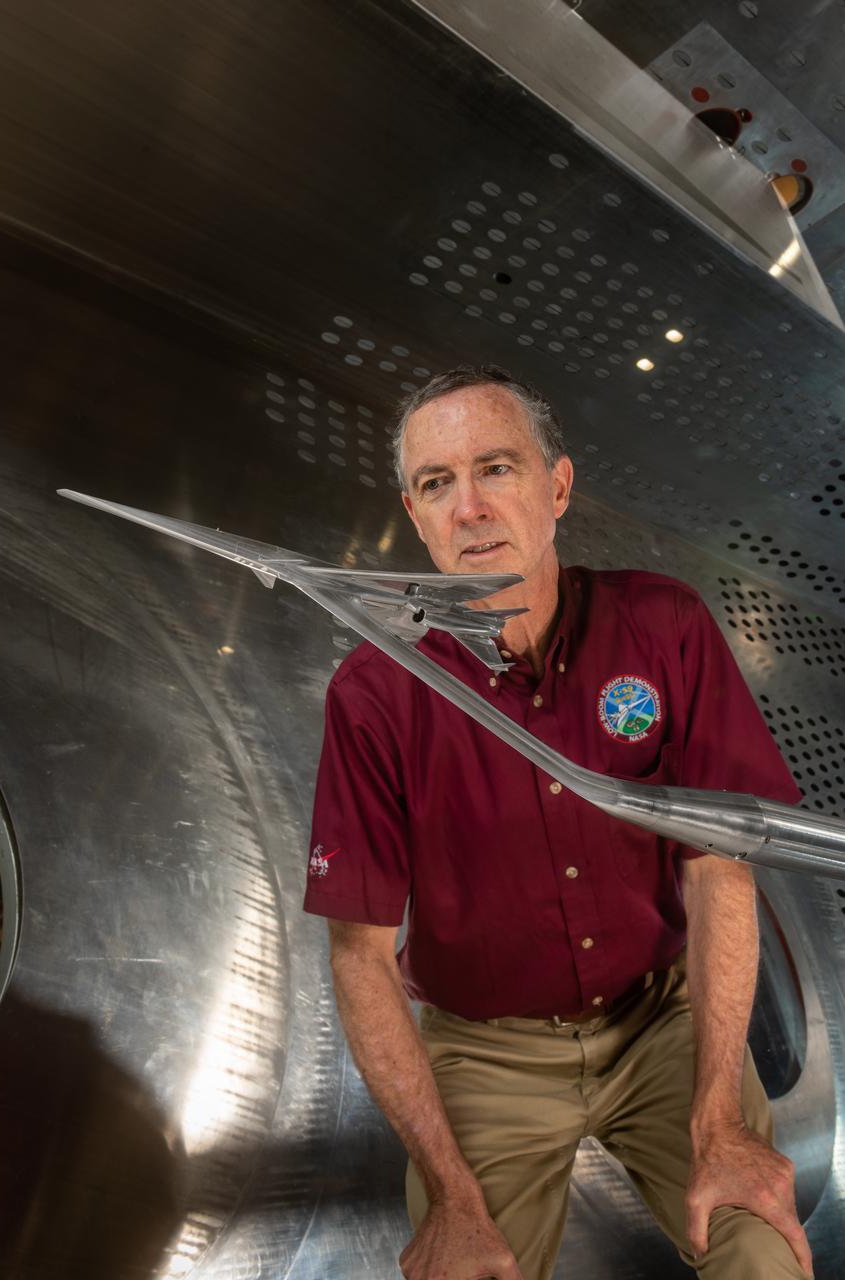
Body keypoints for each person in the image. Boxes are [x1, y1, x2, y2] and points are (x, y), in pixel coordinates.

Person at [303, 365, 813, 1280]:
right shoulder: (374, 695)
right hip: (482, 1053)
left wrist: (718, 1123)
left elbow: (716, 870)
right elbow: (360, 957)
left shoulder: (665, 626)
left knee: (761, 1256)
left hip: (663, 1022)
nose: (468, 508)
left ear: (558, 486)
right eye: (435, 483)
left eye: (494, 467)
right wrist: (453, 1197)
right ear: (413, 515)